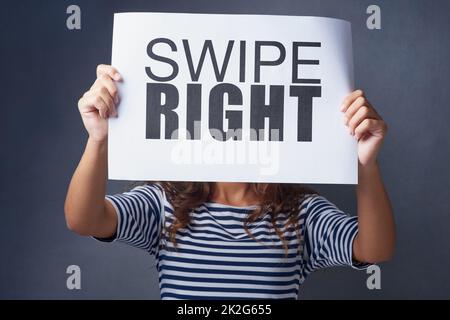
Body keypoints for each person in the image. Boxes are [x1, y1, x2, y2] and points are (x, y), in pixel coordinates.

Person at [64, 64, 395, 300]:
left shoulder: (301, 212)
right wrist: (98, 140)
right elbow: (84, 219)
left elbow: (374, 249)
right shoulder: (163, 202)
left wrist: (365, 164)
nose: (237, 125)